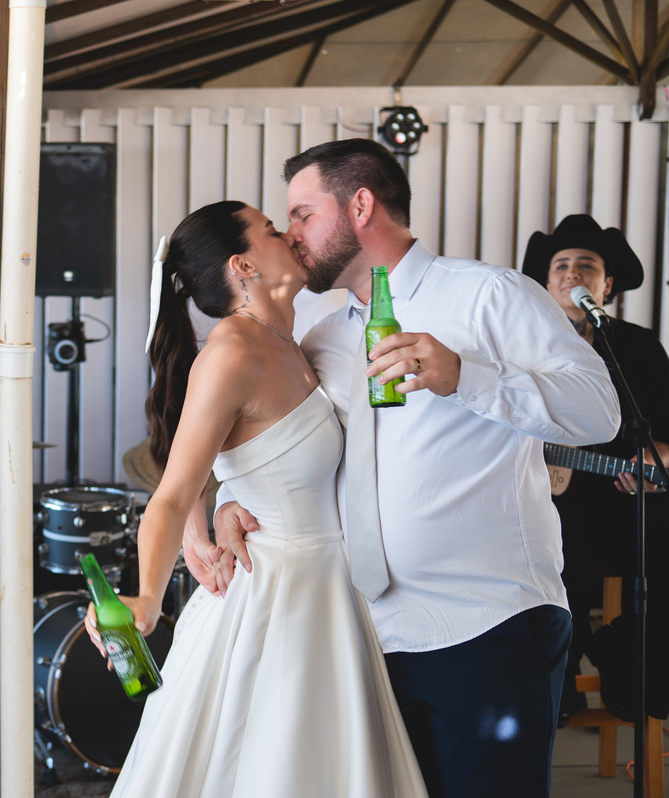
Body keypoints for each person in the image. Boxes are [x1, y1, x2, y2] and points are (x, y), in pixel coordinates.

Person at [189, 139, 622, 798]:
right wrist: (230, 505)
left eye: (303, 214)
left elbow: (600, 414)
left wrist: (467, 376)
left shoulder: (488, 296)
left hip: (485, 629)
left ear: (360, 205)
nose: (294, 234)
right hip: (363, 638)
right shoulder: (323, 338)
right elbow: (292, 457)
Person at [86, 200, 428, 796]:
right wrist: (146, 593)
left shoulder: (295, 340)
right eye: (273, 229)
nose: (291, 235)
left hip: (332, 588)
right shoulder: (232, 354)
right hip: (275, 594)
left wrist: (222, 505)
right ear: (244, 266)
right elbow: (170, 495)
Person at [522, 213, 669, 724]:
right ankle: (558, 692)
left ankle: (631, 679)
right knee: (552, 557)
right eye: (561, 265)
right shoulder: (521, 345)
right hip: (546, 498)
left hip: (627, 495)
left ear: (607, 283)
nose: (572, 273)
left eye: (586, 265)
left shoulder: (637, 346)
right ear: (545, 282)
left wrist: (656, 457)